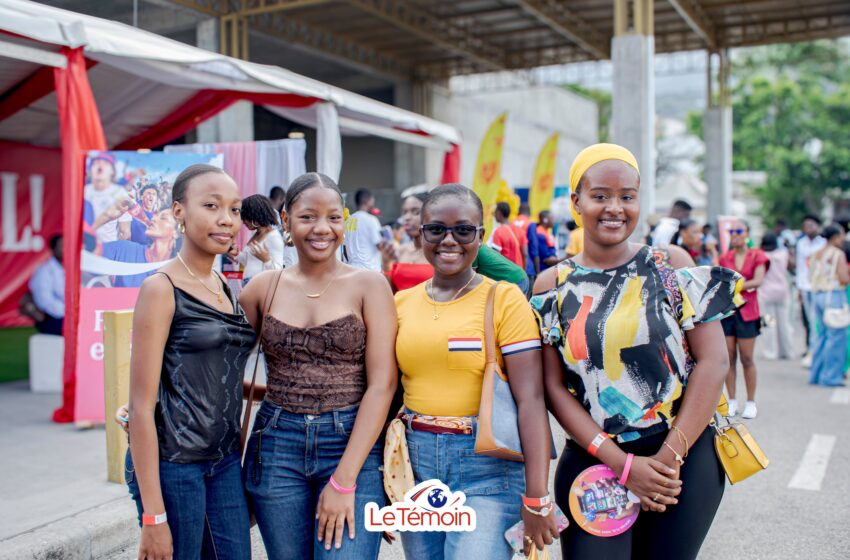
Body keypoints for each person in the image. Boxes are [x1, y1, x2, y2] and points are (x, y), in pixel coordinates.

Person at [532, 143, 739, 560]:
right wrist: (623, 466)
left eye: (627, 196)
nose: (615, 208)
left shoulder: (671, 264)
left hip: (682, 457)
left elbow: (714, 361)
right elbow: (553, 388)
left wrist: (668, 458)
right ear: (576, 201)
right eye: (600, 195)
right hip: (595, 460)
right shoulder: (552, 284)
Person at [395, 183, 559, 560]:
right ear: (421, 233)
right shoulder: (401, 303)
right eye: (436, 229)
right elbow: (386, 391)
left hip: (487, 470)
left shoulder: (504, 300)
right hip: (416, 467)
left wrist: (537, 496)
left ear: (481, 236)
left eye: (463, 230)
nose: (449, 240)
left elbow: (531, 399)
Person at [240, 172, 396, 559]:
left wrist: (344, 481)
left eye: (333, 217)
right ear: (286, 219)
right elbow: (220, 368)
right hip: (276, 445)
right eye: (308, 217)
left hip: (351, 443)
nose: (322, 228)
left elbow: (382, 385)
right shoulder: (262, 288)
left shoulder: (370, 285)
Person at [126, 164, 256, 560]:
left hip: (224, 460)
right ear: (179, 211)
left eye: (234, 209)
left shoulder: (224, 286)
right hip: (176, 463)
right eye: (211, 206)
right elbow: (140, 408)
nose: (226, 219)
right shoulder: (160, 288)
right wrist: (153, 516)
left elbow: (214, 375)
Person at [719, 220, 768, 419]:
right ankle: (731, 400)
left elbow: (758, 280)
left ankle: (750, 402)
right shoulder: (724, 257)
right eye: (731, 231)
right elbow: (721, 281)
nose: (735, 234)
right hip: (729, 311)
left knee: (747, 358)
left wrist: (736, 286)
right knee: (729, 357)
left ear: (747, 233)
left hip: (748, 311)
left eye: (739, 230)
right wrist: (744, 286)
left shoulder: (757, 255)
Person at [808, 224, 850, 387]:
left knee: (823, 336)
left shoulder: (817, 253)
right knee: (837, 337)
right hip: (834, 295)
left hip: (818, 294)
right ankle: (831, 377)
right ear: (835, 237)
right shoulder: (837, 254)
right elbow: (843, 278)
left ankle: (816, 374)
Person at [380, 193, 433, 292]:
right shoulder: (400, 251)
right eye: (405, 212)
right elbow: (389, 292)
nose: (407, 217)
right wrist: (386, 264)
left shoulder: (438, 252)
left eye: (415, 212)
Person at [229, 194, 284, 284]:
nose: (244, 222)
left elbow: (278, 272)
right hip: (248, 283)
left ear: (255, 215)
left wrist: (266, 260)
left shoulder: (274, 237)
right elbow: (249, 262)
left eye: (245, 217)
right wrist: (236, 254)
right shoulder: (256, 234)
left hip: (261, 286)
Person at [797, 215, 826, 366]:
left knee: (819, 320)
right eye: (805, 226)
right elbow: (800, 266)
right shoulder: (801, 243)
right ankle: (812, 351)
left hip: (819, 286)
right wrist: (798, 287)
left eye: (811, 225)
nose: (808, 229)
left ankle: (817, 352)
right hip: (804, 286)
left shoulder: (823, 243)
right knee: (809, 320)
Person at [759, 233, 794, 360]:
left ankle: (770, 352)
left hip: (766, 293)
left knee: (769, 323)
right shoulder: (783, 254)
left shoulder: (761, 255)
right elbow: (792, 265)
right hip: (782, 292)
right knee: (784, 323)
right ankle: (786, 351)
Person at [85, 152, 132, 243]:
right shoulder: (83, 191)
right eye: (96, 163)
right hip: (85, 247)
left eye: (105, 163)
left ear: (112, 171)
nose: (100, 165)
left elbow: (125, 232)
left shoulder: (120, 193)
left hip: (108, 247)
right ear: (90, 169)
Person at [27, 234, 64, 335]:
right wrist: (69, 311)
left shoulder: (72, 268)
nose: (65, 249)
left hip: (70, 315)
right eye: (61, 246)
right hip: (52, 319)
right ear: (53, 249)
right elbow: (45, 302)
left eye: (67, 245)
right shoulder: (44, 271)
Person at [344, 188, 383, 271]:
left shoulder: (347, 221)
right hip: (370, 271)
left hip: (352, 270)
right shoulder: (371, 220)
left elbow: (344, 249)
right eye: (372, 200)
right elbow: (380, 245)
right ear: (367, 200)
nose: (373, 203)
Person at [489, 202, 524, 267]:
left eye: (495, 212)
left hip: (506, 270)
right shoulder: (519, 230)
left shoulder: (498, 231)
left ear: (499, 213)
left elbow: (495, 257)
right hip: (519, 270)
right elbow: (525, 253)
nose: (494, 215)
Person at [514, 203, 541, 286]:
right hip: (528, 268)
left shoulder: (512, 223)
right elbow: (534, 248)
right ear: (529, 212)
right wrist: (538, 271)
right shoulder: (530, 224)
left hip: (514, 266)